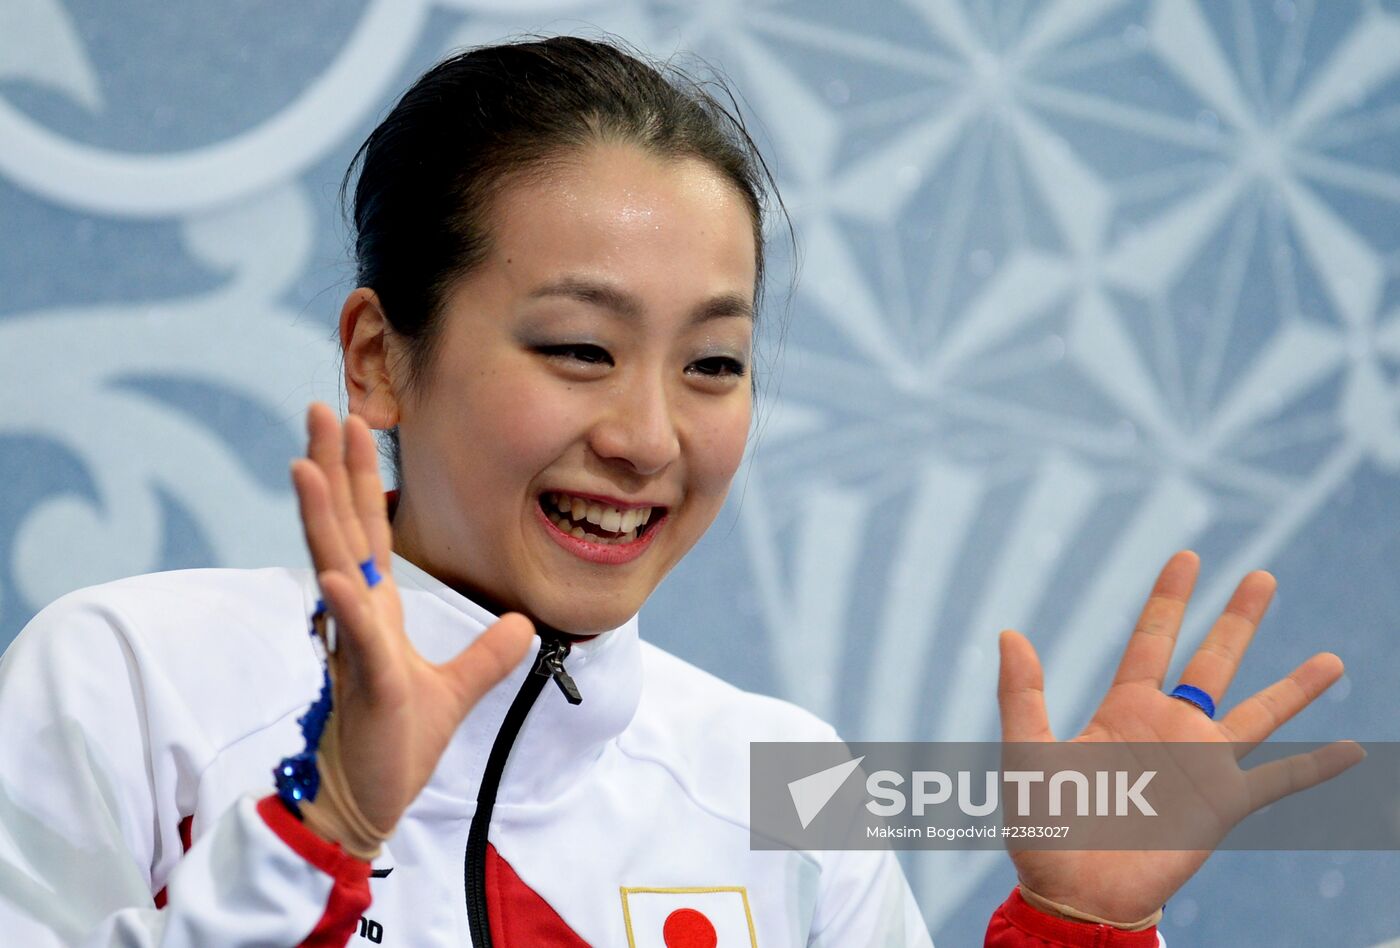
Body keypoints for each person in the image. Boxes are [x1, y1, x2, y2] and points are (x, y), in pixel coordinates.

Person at [0, 35, 1356, 947]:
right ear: (379, 358)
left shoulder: (791, 789)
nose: (648, 436)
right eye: (579, 349)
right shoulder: (131, 678)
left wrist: (1077, 924)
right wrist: (325, 828)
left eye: (714, 362)